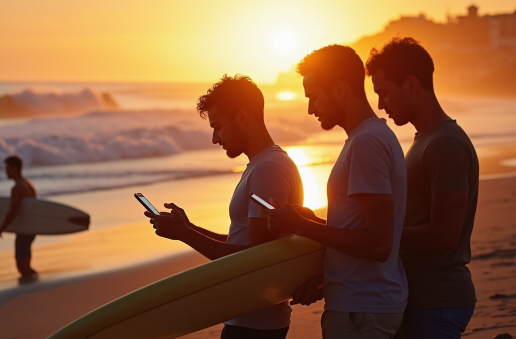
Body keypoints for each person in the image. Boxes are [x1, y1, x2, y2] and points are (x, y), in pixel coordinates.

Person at [261, 45, 408, 339]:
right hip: (362, 305)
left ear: (339, 89)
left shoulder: (367, 142)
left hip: (363, 310)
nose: (310, 108)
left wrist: (300, 225)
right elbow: (361, 231)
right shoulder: (367, 138)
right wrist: (311, 225)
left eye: (314, 97)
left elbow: (378, 244)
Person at [144, 74, 304, 339]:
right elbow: (242, 242)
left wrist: (185, 234)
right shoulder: (263, 165)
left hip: (255, 323)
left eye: (217, 126)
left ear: (242, 117)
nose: (215, 139)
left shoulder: (268, 170)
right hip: (250, 317)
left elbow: (255, 260)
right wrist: (189, 228)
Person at [366, 37, 478, 339]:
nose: (380, 104)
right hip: (421, 297)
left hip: (437, 299)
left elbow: (445, 234)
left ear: (411, 84)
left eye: (384, 92)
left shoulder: (445, 144)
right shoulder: (425, 140)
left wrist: (380, 236)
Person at [0, 155, 38, 278]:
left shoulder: (17, 188)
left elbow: (13, 212)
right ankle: (36, 286)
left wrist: (0, 230)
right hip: (31, 229)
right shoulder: (29, 184)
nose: (5, 171)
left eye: (7, 168)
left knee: (22, 268)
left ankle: (34, 289)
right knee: (26, 266)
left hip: (24, 230)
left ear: (15, 168)